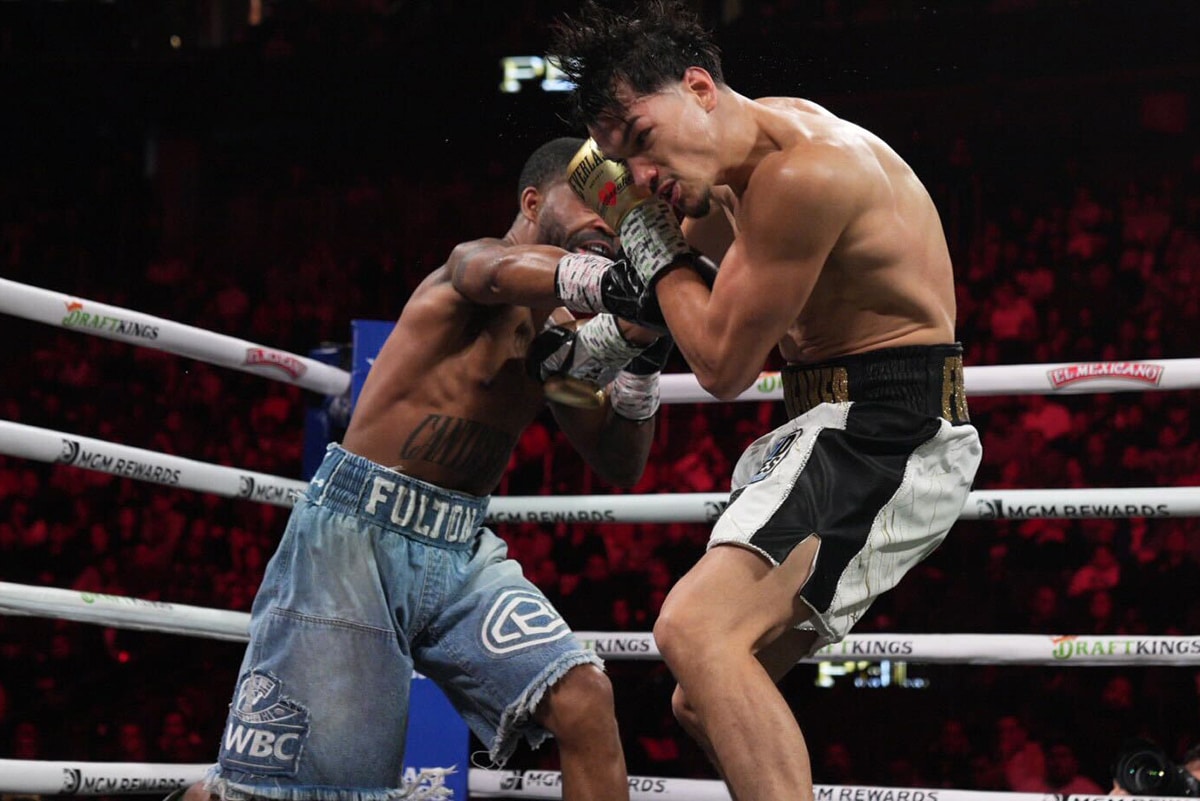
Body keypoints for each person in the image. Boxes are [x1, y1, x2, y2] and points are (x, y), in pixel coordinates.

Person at [545, 3, 984, 800]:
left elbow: (718, 364)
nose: (642, 173)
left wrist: (648, 239)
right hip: (836, 423)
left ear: (700, 87)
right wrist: (619, 194)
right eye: (626, 156)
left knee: (695, 630)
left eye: (643, 140)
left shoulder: (801, 174)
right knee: (702, 688)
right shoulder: (726, 164)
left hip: (888, 426)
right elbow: (579, 171)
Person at [184, 136, 670, 801]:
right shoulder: (470, 270)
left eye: (615, 219)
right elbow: (496, 271)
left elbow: (618, 460)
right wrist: (614, 286)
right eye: (591, 201)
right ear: (532, 201)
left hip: (460, 549)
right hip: (353, 540)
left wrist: (643, 360)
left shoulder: (559, 338)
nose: (604, 225)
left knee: (584, 699)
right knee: (300, 792)